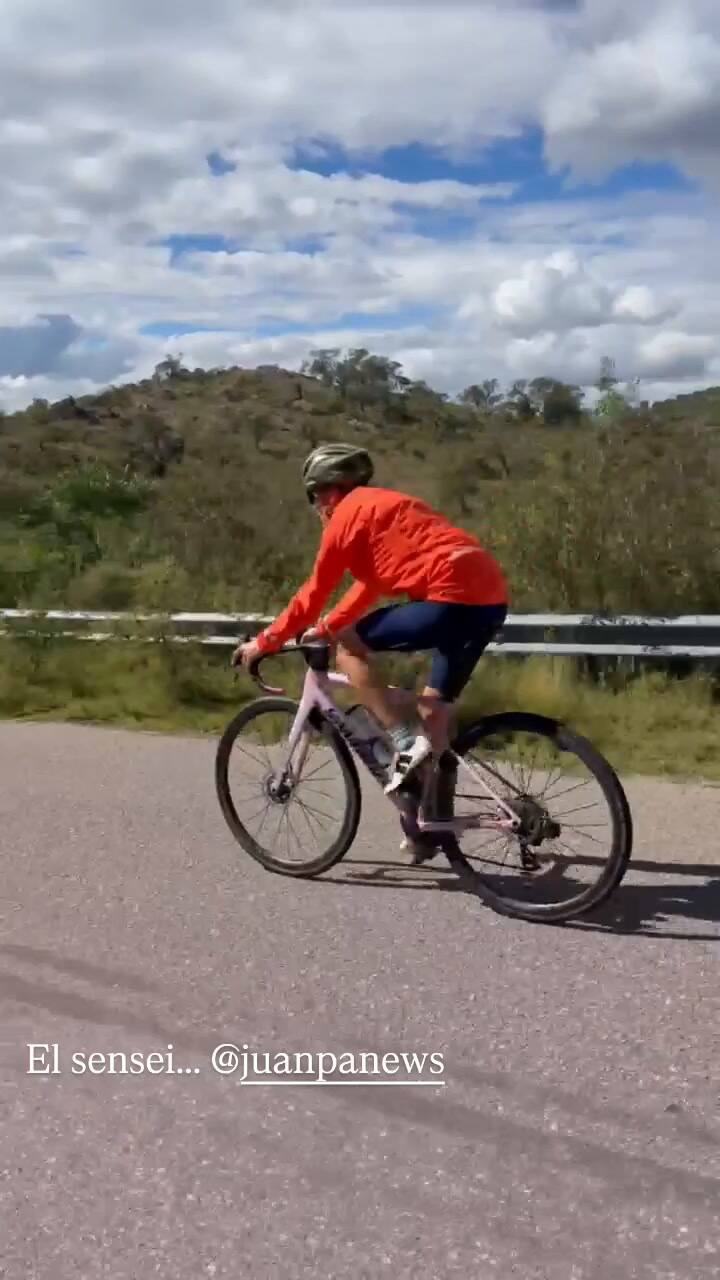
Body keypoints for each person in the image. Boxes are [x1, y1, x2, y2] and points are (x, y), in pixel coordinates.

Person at [233, 443, 508, 840]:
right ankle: (432, 825)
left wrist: (265, 642)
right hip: (489, 600)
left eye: (314, 499)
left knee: (348, 649)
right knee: (434, 712)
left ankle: (400, 741)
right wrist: (327, 625)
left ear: (326, 491)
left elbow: (312, 594)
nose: (317, 509)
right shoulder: (384, 509)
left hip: (448, 597)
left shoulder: (344, 519)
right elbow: (368, 587)